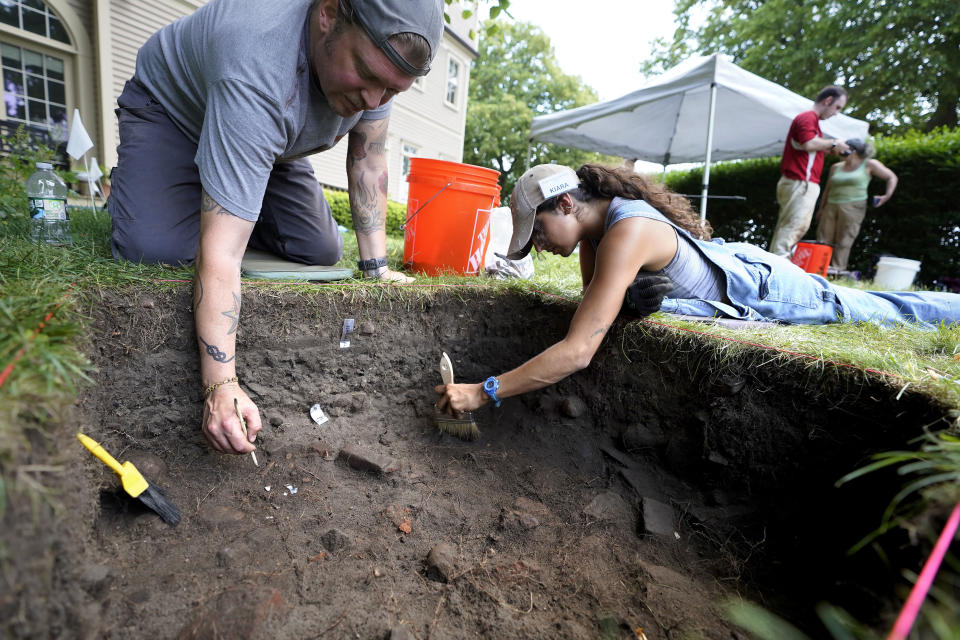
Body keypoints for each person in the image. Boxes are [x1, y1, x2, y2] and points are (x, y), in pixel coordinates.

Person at [107, 0, 444, 455]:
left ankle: (230, 192)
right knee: (155, 246)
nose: (372, 101)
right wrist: (220, 385)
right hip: (173, 115)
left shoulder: (378, 73)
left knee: (321, 249)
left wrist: (376, 266)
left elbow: (369, 160)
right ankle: (161, 188)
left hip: (272, 143)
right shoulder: (255, 59)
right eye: (365, 75)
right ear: (328, 13)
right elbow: (222, 254)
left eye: (391, 91)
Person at [436, 163, 960, 415]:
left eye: (539, 232)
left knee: (878, 308)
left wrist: (486, 392)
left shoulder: (626, 232)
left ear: (566, 205)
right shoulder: (598, 235)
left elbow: (578, 351)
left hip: (762, 288)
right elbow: (595, 311)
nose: (541, 247)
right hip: (737, 265)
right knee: (873, 305)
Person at [768, 86, 851, 258]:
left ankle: (774, 265)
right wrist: (834, 143)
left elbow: (808, 147)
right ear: (828, 100)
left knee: (788, 227)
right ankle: (781, 268)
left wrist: (829, 149)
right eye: (837, 107)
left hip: (797, 182)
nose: (836, 113)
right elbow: (808, 144)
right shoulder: (808, 118)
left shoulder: (811, 121)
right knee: (794, 227)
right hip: (800, 183)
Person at [815, 138, 898, 272]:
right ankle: (818, 268)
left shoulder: (869, 164)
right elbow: (827, 190)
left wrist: (886, 196)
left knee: (845, 239)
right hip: (831, 206)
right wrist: (821, 208)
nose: (840, 152)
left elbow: (891, 177)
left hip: (854, 207)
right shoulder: (836, 167)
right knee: (824, 237)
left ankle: (837, 270)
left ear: (853, 151)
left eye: (843, 150)